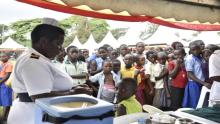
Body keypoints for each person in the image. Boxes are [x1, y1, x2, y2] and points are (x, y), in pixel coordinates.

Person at [7, 19, 92, 124]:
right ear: (43, 42)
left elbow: (49, 84)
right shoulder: (33, 61)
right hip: (32, 116)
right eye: (58, 44)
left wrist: (73, 88)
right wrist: (74, 92)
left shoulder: (37, 57)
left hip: (36, 113)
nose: (60, 49)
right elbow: (39, 96)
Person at [182, 40, 211, 108]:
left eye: (197, 49)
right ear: (190, 51)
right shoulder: (190, 59)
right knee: (195, 103)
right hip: (194, 83)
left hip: (201, 83)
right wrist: (203, 83)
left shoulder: (200, 57)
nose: (195, 51)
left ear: (199, 49)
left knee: (202, 102)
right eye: (193, 50)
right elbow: (190, 75)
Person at [0, 53, 13, 122]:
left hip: (5, 84)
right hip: (1, 83)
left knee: (6, 101)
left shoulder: (9, 64)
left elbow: (7, 76)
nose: (2, 58)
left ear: (8, 57)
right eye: (1, 57)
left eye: (4, 56)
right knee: (3, 100)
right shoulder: (1, 64)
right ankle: (5, 116)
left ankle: (4, 117)